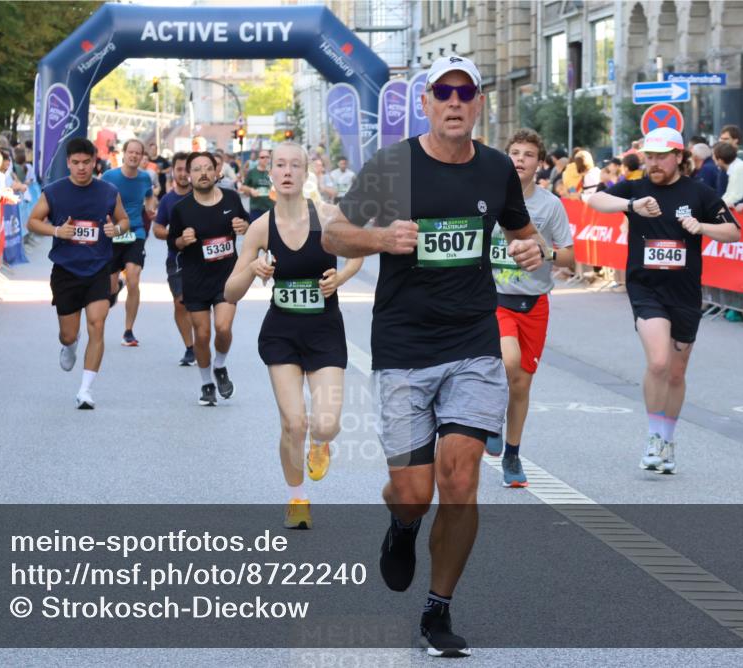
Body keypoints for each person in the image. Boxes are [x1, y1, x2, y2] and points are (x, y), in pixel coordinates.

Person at [323, 55, 546, 658]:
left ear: (478, 104)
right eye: (442, 92)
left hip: (473, 342)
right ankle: (401, 525)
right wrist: (379, 238)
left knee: (462, 477)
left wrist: (532, 249)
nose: (453, 101)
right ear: (425, 103)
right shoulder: (393, 166)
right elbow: (333, 235)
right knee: (414, 492)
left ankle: (438, 609)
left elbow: (523, 234)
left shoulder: (497, 169)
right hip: (403, 348)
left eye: (464, 92)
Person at [587, 127, 741, 474]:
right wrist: (630, 205)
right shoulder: (636, 188)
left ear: (678, 157)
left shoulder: (699, 192)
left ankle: (668, 440)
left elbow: (733, 231)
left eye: (660, 157)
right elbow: (594, 200)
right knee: (658, 362)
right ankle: (654, 437)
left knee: (676, 372)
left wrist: (702, 228)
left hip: (685, 293)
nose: (654, 164)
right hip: (646, 288)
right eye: (649, 157)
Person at [225, 142, 363, 529]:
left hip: (325, 332)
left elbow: (357, 254)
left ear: (306, 173)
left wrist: (342, 277)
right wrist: (253, 268)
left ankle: (322, 444)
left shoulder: (328, 215)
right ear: (270, 174)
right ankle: (297, 498)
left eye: (295, 165)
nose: (287, 171)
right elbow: (230, 292)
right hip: (282, 334)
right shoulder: (260, 227)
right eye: (279, 165)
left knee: (325, 424)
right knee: (293, 423)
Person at [483, 129, 576, 487]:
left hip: (534, 302)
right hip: (495, 300)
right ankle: (492, 419)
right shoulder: (487, 199)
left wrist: (545, 253)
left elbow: (570, 258)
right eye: (515, 153)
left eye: (528, 154)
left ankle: (512, 454)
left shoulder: (550, 205)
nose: (520, 159)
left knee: (521, 385)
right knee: (507, 362)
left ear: (539, 163)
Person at [26, 137, 130, 409]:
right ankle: (70, 346)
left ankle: (85, 390)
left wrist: (116, 230)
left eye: (86, 162)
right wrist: (57, 231)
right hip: (66, 270)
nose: (81, 168)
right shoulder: (54, 191)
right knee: (68, 334)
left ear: (95, 162)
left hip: (98, 268)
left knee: (97, 323)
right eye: (76, 163)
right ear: (68, 163)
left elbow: (124, 220)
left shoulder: (108, 191)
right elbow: (33, 221)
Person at [169, 152, 250, 406]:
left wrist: (243, 227)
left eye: (207, 168)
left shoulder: (232, 198)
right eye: (196, 169)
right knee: (202, 335)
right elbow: (173, 242)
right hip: (195, 279)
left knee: (223, 327)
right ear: (188, 175)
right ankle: (206, 383)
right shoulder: (181, 209)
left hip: (227, 277)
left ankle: (220, 365)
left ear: (217, 172)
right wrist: (184, 240)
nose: (203, 173)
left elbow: (247, 224)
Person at [101, 139, 154, 345]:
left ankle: (128, 331)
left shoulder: (144, 178)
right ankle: (116, 286)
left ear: (142, 157)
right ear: (124, 154)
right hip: (113, 233)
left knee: (134, 277)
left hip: (136, 232)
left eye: (137, 153)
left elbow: (149, 197)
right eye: (130, 152)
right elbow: (99, 197)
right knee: (111, 287)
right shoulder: (109, 176)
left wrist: (150, 208)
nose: (133, 156)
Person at [152, 151, 196, 366]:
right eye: (179, 169)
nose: (183, 174)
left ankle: (202, 339)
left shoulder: (203, 195)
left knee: (200, 305)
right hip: (177, 258)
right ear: (173, 171)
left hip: (204, 259)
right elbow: (157, 228)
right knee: (180, 303)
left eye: (187, 170)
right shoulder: (168, 200)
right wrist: (174, 236)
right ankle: (190, 347)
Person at [712, 142, 743, 207]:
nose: (712, 158)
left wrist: (718, 206)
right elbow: (729, 194)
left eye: (713, 155)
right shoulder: (735, 168)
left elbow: (736, 196)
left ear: (720, 160)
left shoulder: (739, 168)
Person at [240, 149, 274, 221]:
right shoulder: (252, 172)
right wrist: (251, 190)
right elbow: (242, 187)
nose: (265, 159)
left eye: (267, 157)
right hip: (256, 208)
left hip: (271, 208)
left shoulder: (274, 172)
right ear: (258, 159)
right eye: (262, 157)